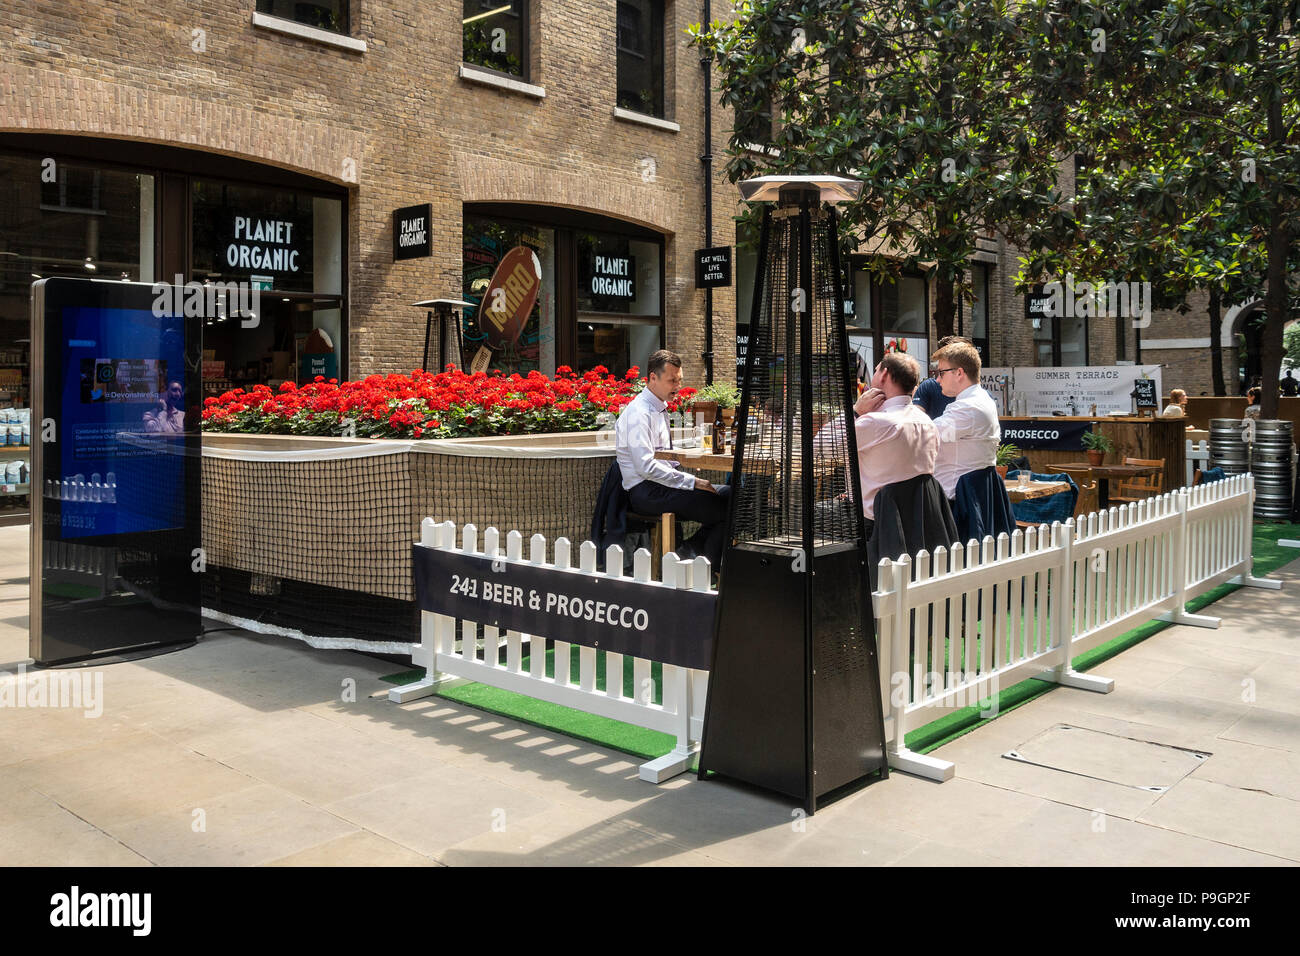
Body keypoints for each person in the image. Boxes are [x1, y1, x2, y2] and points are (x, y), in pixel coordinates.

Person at [615, 349, 730, 567]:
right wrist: (693, 481)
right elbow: (646, 466)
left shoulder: (658, 408)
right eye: (672, 381)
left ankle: (693, 552)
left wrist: (688, 459)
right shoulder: (639, 413)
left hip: (662, 486)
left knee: (734, 496)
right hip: (647, 492)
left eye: (679, 380)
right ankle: (701, 561)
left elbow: (661, 451)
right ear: (652, 378)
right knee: (729, 509)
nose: (678, 386)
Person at [849, 352, 939, 535]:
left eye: (875, 371)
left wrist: (856, 411)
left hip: (876, 524)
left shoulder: (875, 422)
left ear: (884, 374)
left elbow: (823, 446)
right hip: (919, 521)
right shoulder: (929, 422)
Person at [930, 340, 1001, 499]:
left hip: (957, 505)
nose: (937, 380)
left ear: (959, 373)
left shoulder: (968, 407)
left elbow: (924, 435)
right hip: (967, 497)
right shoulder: (980, 399)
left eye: (941, 373)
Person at [913, 335, 972, 419]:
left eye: (942, 372)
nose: (938, 380)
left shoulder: (978, 400)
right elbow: (916, 421)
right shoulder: (929, 387)